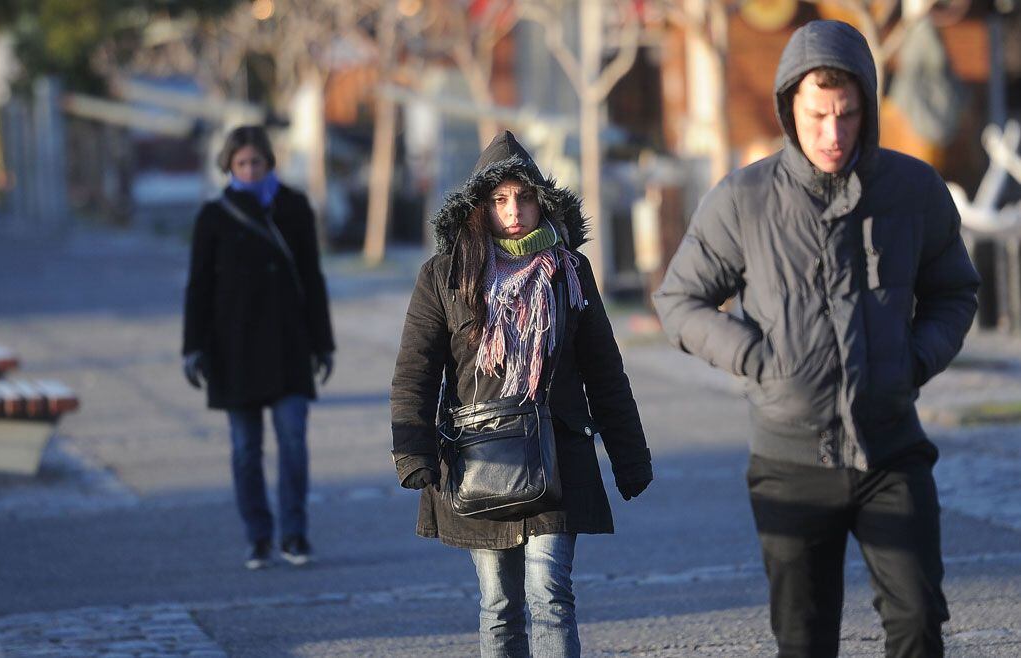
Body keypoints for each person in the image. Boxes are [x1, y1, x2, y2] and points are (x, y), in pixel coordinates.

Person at [653, 20, 980, 658]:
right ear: (789, 109)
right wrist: (757, 359)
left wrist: (915, 360)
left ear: (866, 109)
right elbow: (678, 301)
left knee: (918, 625)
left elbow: (955, 291)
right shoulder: (743, 200)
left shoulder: (913, 191)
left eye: (848, 115)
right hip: (790, 465)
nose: (833, 133)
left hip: (891, 451)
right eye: (817, 116)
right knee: (805, 642)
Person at [391, 131, 653, 657]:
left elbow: (605, 372)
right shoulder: (444, 276)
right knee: (498, 606)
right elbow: (415, 370)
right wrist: (412, 451)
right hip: (477, 460)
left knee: (550, 594)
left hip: (557, 455)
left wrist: (630, 457)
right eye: (500, 200)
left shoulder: (570, 273)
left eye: (525, 197)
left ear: (542, 201)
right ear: (479, 207)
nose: (514, 211)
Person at [182, 125, 335, 570]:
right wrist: (193, 347)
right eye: (242, 163)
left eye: (257, 162)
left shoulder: (292, 207)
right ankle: (258, 535)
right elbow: (198, 288)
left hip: (289, 346)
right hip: (233, 351)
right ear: (229, 166)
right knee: (246, 449)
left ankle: (294, 534)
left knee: (293, 441)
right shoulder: (213, 216)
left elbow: (312, 278)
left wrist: (322, 343)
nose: (250, 170)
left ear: (270, 163)